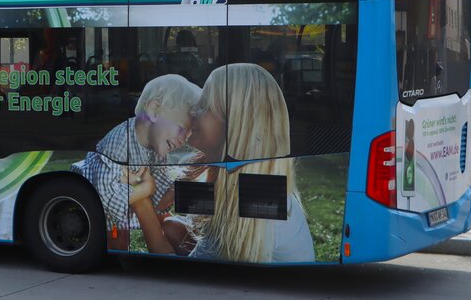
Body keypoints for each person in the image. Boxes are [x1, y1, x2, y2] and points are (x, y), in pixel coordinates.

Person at [128, 63, 315, 263]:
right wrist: (171, 193)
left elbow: (187, 278)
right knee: (170, 225)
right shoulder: (251, 186)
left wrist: (141, 203)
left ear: (233, 125)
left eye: (205, 106)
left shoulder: (253, 207)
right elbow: (192, 203)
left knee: (165, 226)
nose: (193, 111)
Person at [71, 74, 201, 249]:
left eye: (188, 134)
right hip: (103, 212)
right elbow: (106, 199)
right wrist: (143, 190)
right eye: (181, 128)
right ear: (154, 110)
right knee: (117, 237)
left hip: (127, 204)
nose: (183, 140)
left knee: (168, 221)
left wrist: (175, 189)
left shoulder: (158, 145)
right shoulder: (118, 143)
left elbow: (158, 191)